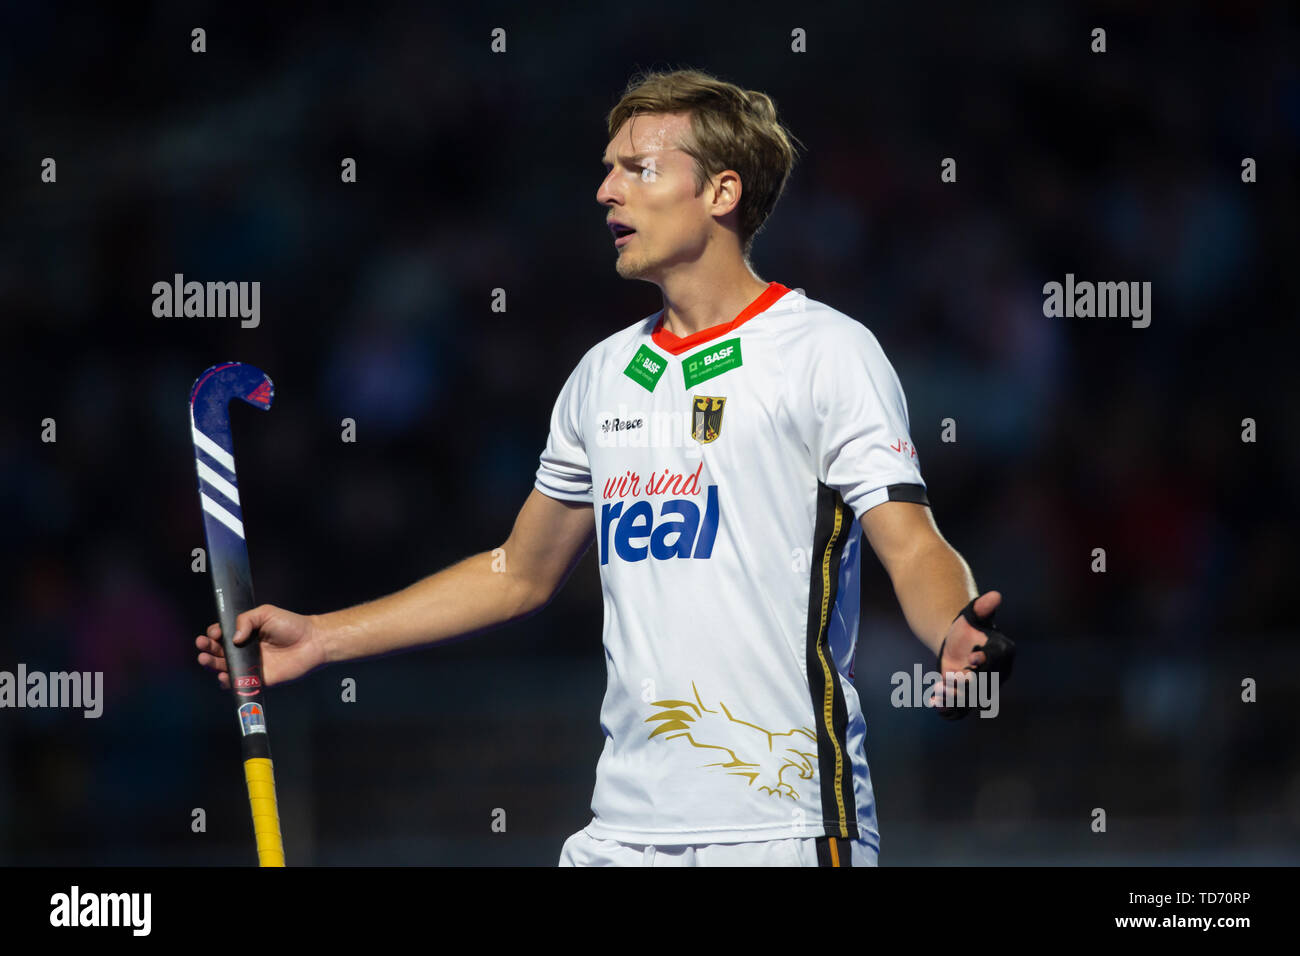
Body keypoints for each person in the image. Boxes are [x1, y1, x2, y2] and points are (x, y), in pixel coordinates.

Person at [196, 67, 1013, 867]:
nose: (606, 192)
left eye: (639, 169)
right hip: (622, 833)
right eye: (607, 171)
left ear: (721, 193)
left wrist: (952, 630)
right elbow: (518, 572)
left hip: (786, 824)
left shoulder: (826, 352)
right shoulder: (602, 375)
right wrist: (321, 638)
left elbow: (908, 543)